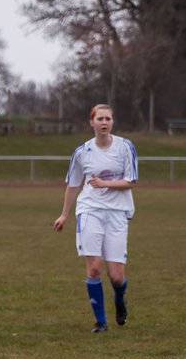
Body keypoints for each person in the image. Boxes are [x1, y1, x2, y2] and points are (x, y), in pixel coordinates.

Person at [53, 104, 138, 333]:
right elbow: (73, 185)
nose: (103, 122)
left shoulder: (125, 147)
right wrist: (64, 214)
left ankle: (120, 299)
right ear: (91, 122)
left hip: (117, 213)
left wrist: (105, 184)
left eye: (108, 118)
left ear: (112, 122)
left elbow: (131, 181)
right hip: (90, 210)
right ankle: (100, 322)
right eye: (99, 118)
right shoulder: (82, 152)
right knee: (93, 269)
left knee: (117, 276)